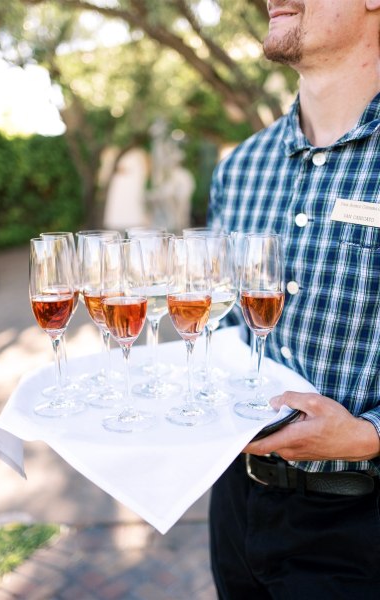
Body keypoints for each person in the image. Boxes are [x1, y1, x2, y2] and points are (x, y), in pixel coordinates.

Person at [208, 1, 380, 598]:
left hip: (363, 531)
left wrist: (370, 434)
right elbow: (221, 328)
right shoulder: (240, 168)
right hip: (235, 504)